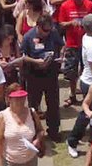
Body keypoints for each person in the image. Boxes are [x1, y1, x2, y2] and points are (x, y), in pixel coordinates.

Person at [19, 13, 64, 142]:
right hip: (34, 75)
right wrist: (35, 61)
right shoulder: (28, 37)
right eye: (44, 30)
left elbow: (61, 45)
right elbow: (22, 56)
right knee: (33, 105)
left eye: (49, 30)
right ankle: (33, 131)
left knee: (53, 104)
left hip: (50, 74)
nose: (46, 33)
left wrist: (60, 55)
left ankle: (54, 131)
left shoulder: (53, 33)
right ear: (38, 26)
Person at [0, 85, 43, 166]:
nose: (21, 101)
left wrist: (38, 139)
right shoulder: (3, 116)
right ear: (9, 99)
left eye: (22, 98)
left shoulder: (32, 112)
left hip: (31, 160)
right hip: (10, 162)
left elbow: (41, 130)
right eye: (17, 99)